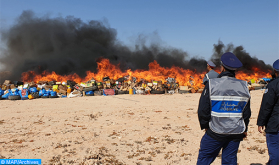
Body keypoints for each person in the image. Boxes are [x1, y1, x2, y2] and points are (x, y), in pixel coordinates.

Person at [197, 52, 251, 165]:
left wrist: (205, 126)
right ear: (235, 70)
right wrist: (244, 128)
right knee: (230, 160)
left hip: (216, 131)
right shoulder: (244, 86)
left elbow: (203, 109)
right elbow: (246, 111)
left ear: (222, 67)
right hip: (236, 132)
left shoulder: (212, 84)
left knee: (204, 158)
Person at [257, 59, 279, 165]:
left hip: (275, 125)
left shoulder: (273, 85)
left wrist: (261, 122)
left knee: (274, 151)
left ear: (275, 71)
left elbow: (267, 106)